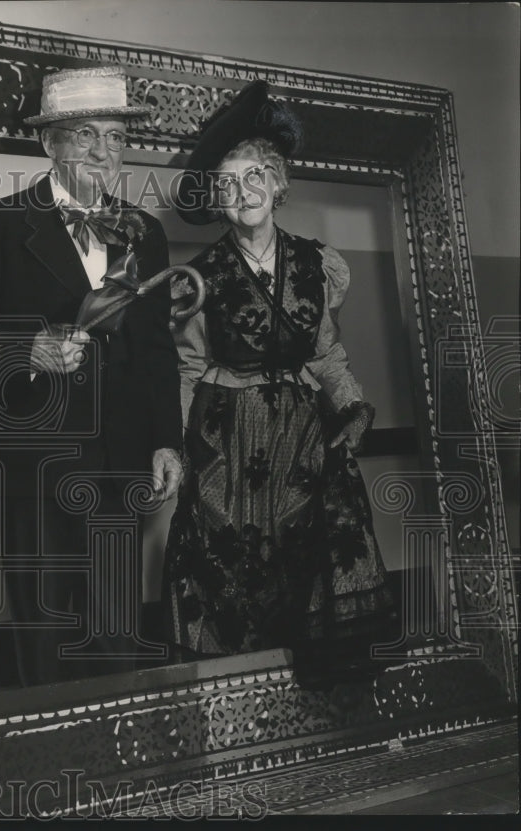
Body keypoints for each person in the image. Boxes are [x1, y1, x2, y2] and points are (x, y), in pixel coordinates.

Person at [0, 67, 183, 687]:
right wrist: (28, 351)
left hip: (120, 454)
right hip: (38, 458)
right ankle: (45, 759)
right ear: (48, 144)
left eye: (114, 136)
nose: (105, 152)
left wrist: (166, 440)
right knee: (42, 622)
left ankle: (115, 748)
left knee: (114, 621)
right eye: (85, 135)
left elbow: (158, 348)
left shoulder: (146, 232)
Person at [162, 80, 395, 679]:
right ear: (218, 199)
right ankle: (239, 708)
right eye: (230, 185)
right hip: (229, 440)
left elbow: (327, 354)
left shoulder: (319, 264)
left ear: (277, 184)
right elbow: (188, 368)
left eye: (255, 179)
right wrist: (183, 449)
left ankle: (312, 718)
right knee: (229, 575)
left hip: (300, 437)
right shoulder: (199, 276)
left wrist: (352, 404)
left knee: (307, 566)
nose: (244, 194)